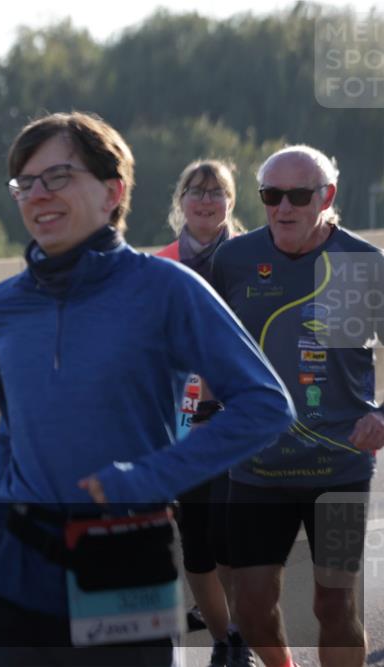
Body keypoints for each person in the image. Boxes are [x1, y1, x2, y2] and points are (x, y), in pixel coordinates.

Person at [0, 112, 294, 666]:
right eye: (25, 182)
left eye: (58, 176)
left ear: (112, 191)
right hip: (17, 572)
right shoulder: (1, 306)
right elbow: (13, 433)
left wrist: (148, 479)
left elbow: (266, 405)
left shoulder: (165, 289)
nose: (37, 194)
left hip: (123, 556)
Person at [210, 145, 384, 667]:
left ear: (326, 197)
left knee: (334, 604)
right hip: (259, 465)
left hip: (340, 462)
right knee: (255, 608)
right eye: (271, 195)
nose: (283, 207)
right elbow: (213, 345)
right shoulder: (235, 260)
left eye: (298, 195)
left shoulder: (361, 263)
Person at [158, 160, 254, 667]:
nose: (205, 200)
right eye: (195, 190)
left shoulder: (252, 258)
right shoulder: (162, 262)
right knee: (194, 540)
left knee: (231, 538)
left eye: (216, 192)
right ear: (181, 200)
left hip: (238, 416)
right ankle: (224, 638)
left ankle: (240, 633)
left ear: (231, 202)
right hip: (181, 423)